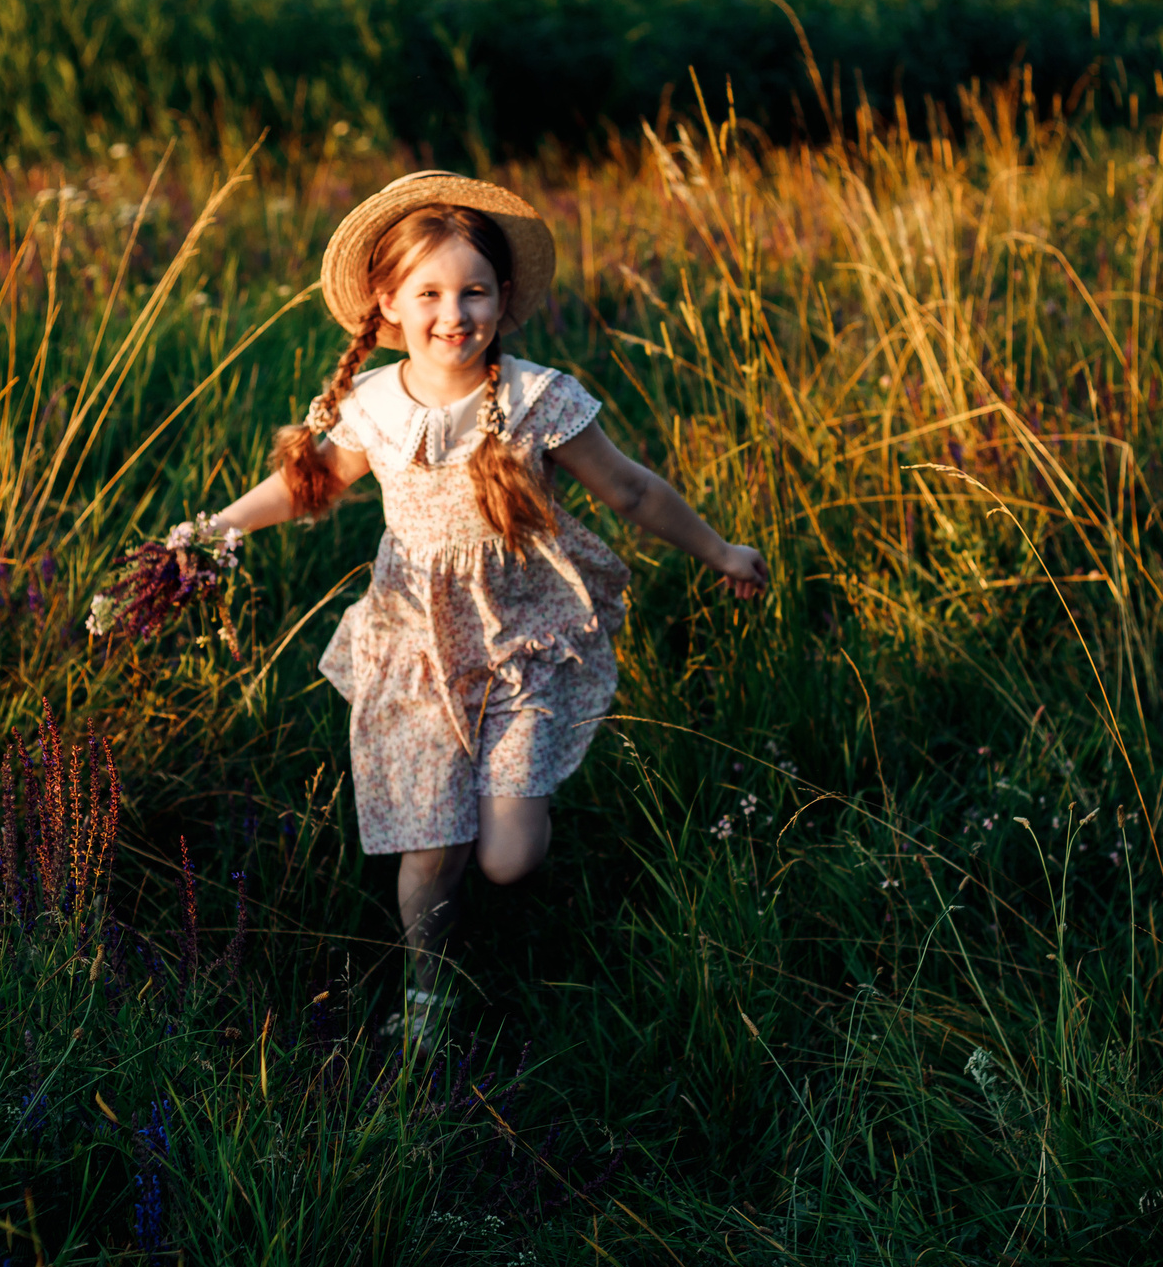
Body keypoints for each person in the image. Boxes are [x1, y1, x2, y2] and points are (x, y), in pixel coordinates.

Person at [208, 171, 768, 1042]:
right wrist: (218, 527)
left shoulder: (540, 400)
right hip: (415, 645)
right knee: (429, 848)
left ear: (503, 299)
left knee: (506, 858)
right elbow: (306, 482)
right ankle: (429, 997)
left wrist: (722, 550)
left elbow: (631, 489)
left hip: (521, 639)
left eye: (474, 291)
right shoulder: (376, 404)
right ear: (387, 302)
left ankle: (500, 820)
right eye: (428, 292)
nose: (453, 314)